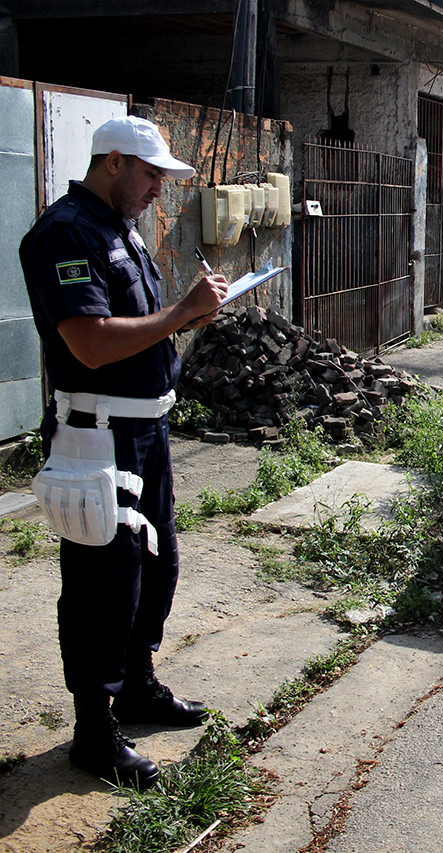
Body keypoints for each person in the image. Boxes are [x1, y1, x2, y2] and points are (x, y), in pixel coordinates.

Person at [19, 116, 229, 789]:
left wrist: (189, 315)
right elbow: (90, 342)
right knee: (101, 583)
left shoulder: (121, 231)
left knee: (155, 561)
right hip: (96, 434)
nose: (157, 191)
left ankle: (137, 684)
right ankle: (93, 729)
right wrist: (177, 315)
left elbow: (137, 333)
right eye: (149, 176)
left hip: (145, 429)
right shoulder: (64, 234)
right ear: (113, 162)